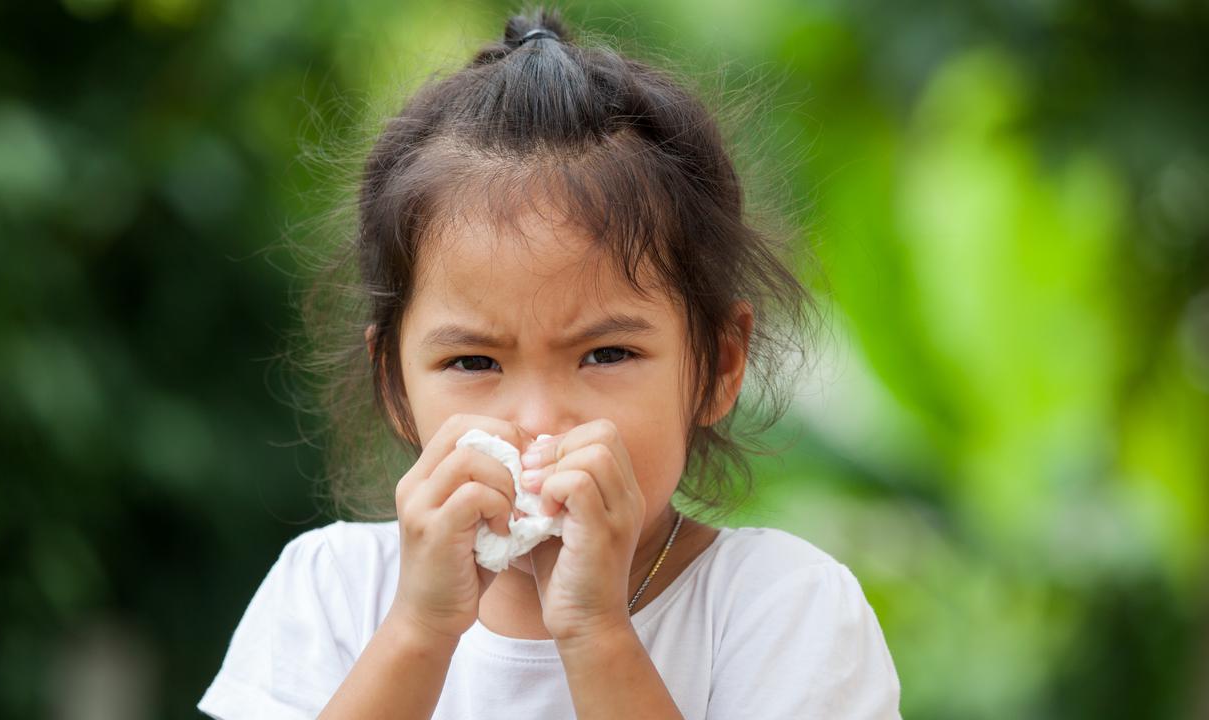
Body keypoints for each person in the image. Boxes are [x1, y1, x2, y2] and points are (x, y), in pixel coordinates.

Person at [198, 7, 901, 719]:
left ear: (718, 365)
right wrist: (418, 633)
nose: (537, 422)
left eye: (606, 353)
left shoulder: (781, 606)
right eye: (473, 362)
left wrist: (597, 632)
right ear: (394, 383)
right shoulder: (334, 592)